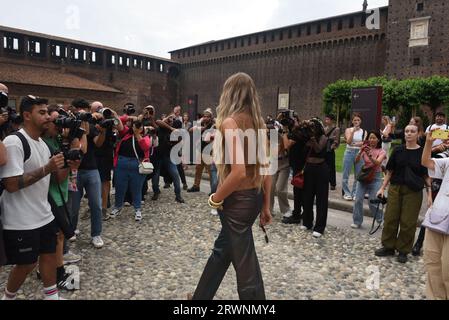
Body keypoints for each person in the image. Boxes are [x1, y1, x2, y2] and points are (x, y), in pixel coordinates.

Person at [192, 73, 272, 300]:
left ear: (230, 94)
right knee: (222, 251)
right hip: (254, 197)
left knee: (245, 263)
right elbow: (266, 170)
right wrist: (265, 206)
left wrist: (215, 198)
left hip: (236, 201)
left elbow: (238, 172)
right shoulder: (259, 124)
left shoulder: (229, 122)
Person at [0, 95, 66, 300]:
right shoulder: (14, 142)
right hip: (21, 219)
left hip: (43, 214)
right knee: (27, 263)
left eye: (48, 112)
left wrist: (70, 165)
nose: (48, 117)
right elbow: (11, 185)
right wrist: (47, 168)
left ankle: (51, 296)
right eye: (42, 112)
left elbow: (55, 180)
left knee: (49, 255)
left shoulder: (43, 144)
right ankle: (8, 297)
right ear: (27, 115)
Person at [375, 125, 432, 264]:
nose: (409, 134)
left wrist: (430, 194)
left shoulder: (422, 153)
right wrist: (382, 188)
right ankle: (388, 246)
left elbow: (426, 176)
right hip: (395, 188)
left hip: (413, 191)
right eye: (406, 131)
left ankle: (403, 250)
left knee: (408, 222)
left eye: (412, 131)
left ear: (418, 133)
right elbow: (390, 171)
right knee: (390, 218)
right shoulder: (398, 150)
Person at [42, 106, 82, 290]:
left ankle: (44, 269)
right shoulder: (46, 144)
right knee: (57, 237)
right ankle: (58, 272)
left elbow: (79, 153)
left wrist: (73, 135)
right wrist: (68, 158)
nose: (59, 125)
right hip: (52, 196)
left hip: (60, 194)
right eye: (56, 121)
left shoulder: (57, 139)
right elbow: (59, 176)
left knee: (53, 237)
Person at [70, 99, 106, 249]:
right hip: (74, 170)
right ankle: (71, 230)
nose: (81, 113)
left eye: (84, 110)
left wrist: (103, 130)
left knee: (96, 204)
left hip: (91, 169)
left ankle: (96, 234)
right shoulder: (69, 125)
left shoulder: (90, 125)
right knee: (73, 205)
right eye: (78, 110)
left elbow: (98, 143)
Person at [421, 131, 449, 300]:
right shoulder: (448, 161)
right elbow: (426, 162)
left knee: (447, 269)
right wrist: (429, 143)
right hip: (438, 218)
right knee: (432, 263)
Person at [110, 120, 152, 222]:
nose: (138, 128)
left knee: (136, 188)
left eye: (140, 126)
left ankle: (137, 209)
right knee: (120, 187)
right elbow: (118, 121)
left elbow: (146, 146)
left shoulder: (146, 137)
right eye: (135, 126)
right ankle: (117, 207)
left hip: (137, 165)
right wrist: (129, 117)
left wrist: (137, 134)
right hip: (121, 163)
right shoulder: (125, 134)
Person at [351, 132, 386, 229]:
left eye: (374, 138)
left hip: (376, 177)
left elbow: (378, 163)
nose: (371, 140)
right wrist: (360, 151)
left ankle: (380, 219)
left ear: (378, 139)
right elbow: (356, 161)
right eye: (370, 138)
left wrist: (369, 155)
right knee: (358, 199)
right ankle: (357, 221)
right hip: (364, 176)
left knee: (372, 201)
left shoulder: (382, 151)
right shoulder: (365, 149)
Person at [152, 115, 185, 203]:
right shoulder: (160, 128)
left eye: (172, 120)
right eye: (168, 120)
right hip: (157, 157)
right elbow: (158, 121)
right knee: (155, 178)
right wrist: (169, 124)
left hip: (168, 157)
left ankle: (178, 195)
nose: (170, 120)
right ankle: (156, 192)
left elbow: (179, 140)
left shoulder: (175, 132)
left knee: (175, 175)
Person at [187, 108, 216, 193]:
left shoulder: (213, 124)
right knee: (198, 168)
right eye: (204, 116)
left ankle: (213, 189)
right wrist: (200, 126)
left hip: (209, 150)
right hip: (200, 149)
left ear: (211, 117)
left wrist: (213, 120)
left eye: (208, 116)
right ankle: (196, 186)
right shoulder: (201, 124)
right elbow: (190, 130)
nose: (206, 118)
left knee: (210, 171)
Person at [342, 114, 367, 201]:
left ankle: (355, 193)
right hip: (349, 152)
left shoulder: (364, 131)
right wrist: (353, 131)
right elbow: (348, 141)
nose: (356, 122)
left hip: (359, 153)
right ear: (352, 121)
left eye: (358, 120)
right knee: (346, 174)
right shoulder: (348, 130)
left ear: (361, 121)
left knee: (358, 175)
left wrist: (356, 143)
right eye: (355, 120)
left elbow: (363, 143)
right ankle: (346, 193)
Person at [269, 130, 292, 218]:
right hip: (273, 166)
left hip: (284, 166)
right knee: (270, 188)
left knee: (280, 188)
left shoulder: (283, 140)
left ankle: (286, 209)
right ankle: (269, 209)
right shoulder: (268, 141)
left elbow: (280, 150)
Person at [324, 114, 341, 191]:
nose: (326, 121)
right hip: (324, 149)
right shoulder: (324, 128)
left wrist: (332, 146)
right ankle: (325, 181)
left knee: (331, 167)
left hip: (330, 150)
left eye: (328, 119)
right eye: (326, 119)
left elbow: (336, 140)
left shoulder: (336, 129)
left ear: (332, 120)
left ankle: (332, 183)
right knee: (324, 167)